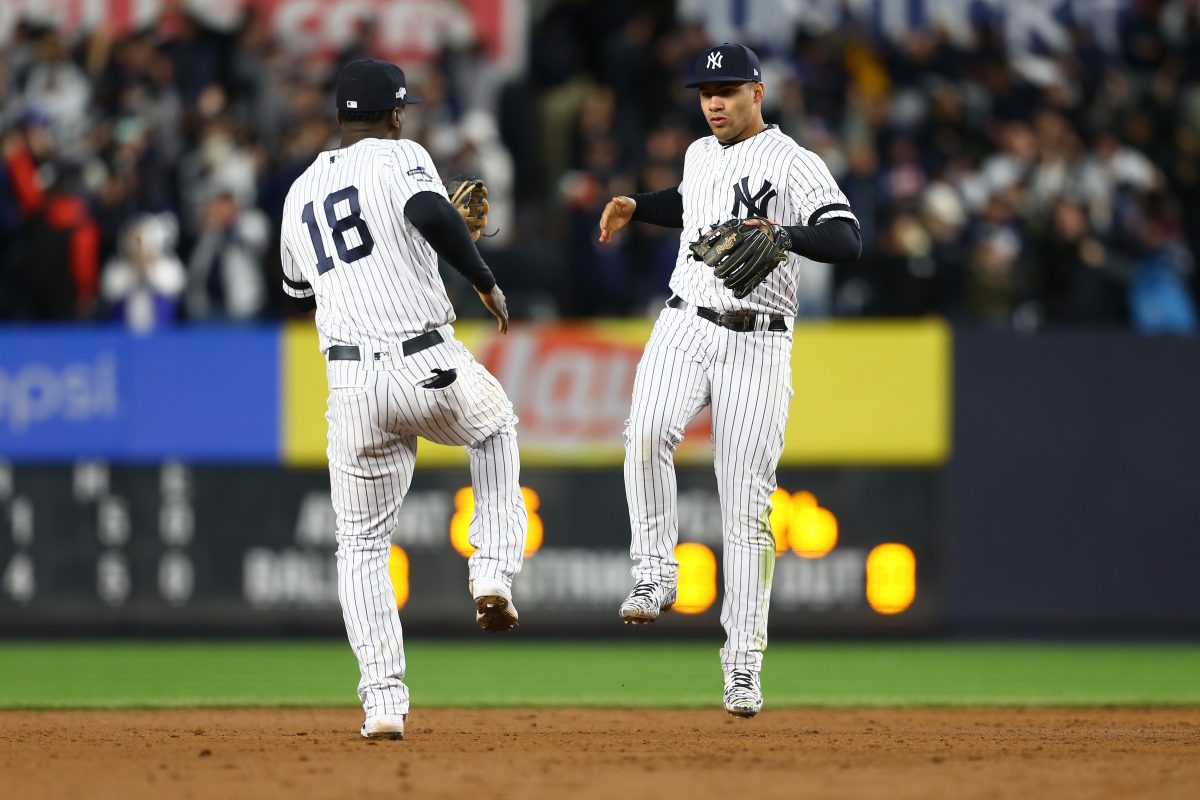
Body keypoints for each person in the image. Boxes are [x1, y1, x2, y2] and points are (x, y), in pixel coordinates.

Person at [597, 43, 862, 718]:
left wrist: (782, 234)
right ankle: (655, 572)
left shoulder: (794, 162)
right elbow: (692, 205)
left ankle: (742, 665)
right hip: (686, 319)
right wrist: (636, 205)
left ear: (757, 91)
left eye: (726, 89)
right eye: (704, 90)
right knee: (647, 430)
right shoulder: (697, 152)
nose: (713, 101)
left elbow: (846, 238)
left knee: (746, 507)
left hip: (760, 337)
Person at [279, 60, 528, 740]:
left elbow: (298, 293)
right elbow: (425, 211)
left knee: (360, 548)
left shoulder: (299, 190)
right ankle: (492, 575)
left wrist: (389, 266)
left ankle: (383, 705)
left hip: (350, 383)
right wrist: (479, 275)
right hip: (423, 359)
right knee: (497, 426)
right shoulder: (403, 156)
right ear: (393, 115)